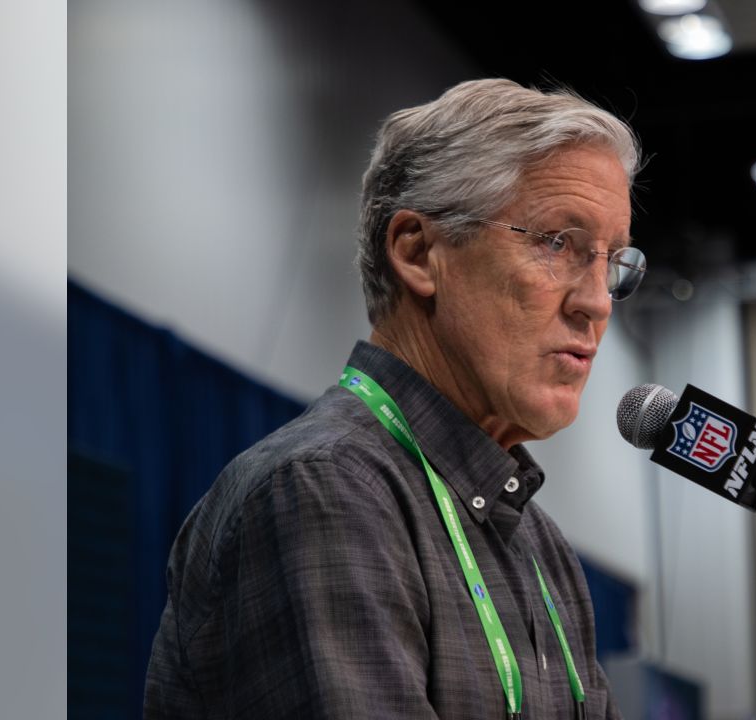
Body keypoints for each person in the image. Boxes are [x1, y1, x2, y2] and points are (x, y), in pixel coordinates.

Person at [144, 78, 646, 719]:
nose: (597, 301)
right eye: (557, 243)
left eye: (611, 262)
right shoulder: (324, 492)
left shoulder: (540, 546)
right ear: (417, 252)